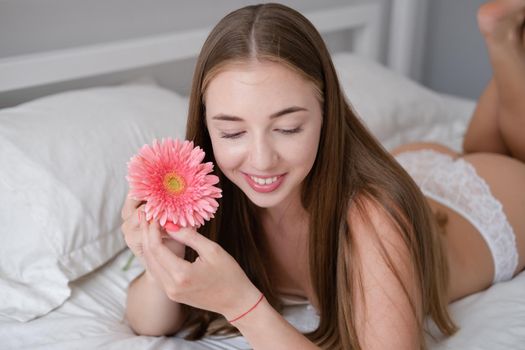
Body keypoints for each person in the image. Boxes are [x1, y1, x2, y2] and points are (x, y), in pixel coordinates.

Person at [120, 1, 525, 349]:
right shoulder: (211, 195)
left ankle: (503, 44)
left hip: (487, 203)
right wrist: (164, 256)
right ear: (207, 128)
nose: (260, 160)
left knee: (503, 158)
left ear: (327, 115)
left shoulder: (372, 218)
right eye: (232, 132)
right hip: (416, 168)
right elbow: (149, 323)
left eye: (288, 128)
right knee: (480, 147)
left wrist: (241, 304)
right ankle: (504, 41)